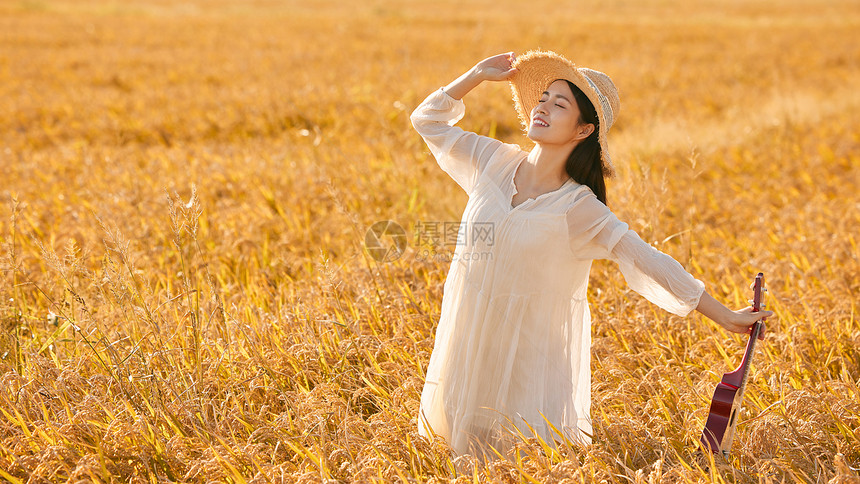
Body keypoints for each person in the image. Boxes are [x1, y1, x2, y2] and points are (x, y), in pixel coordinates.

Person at [409, 50, 772, 462]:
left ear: (582, 130)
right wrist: (475, 75)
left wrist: (724, 315)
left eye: (559, 103)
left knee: (514, 462)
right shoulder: (494, 161)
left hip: (527, 359)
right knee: (454, 457)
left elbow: (647, 259)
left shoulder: (578, 207)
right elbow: (427, 120)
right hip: (469, 338)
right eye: (543, 97)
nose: (542, 106)